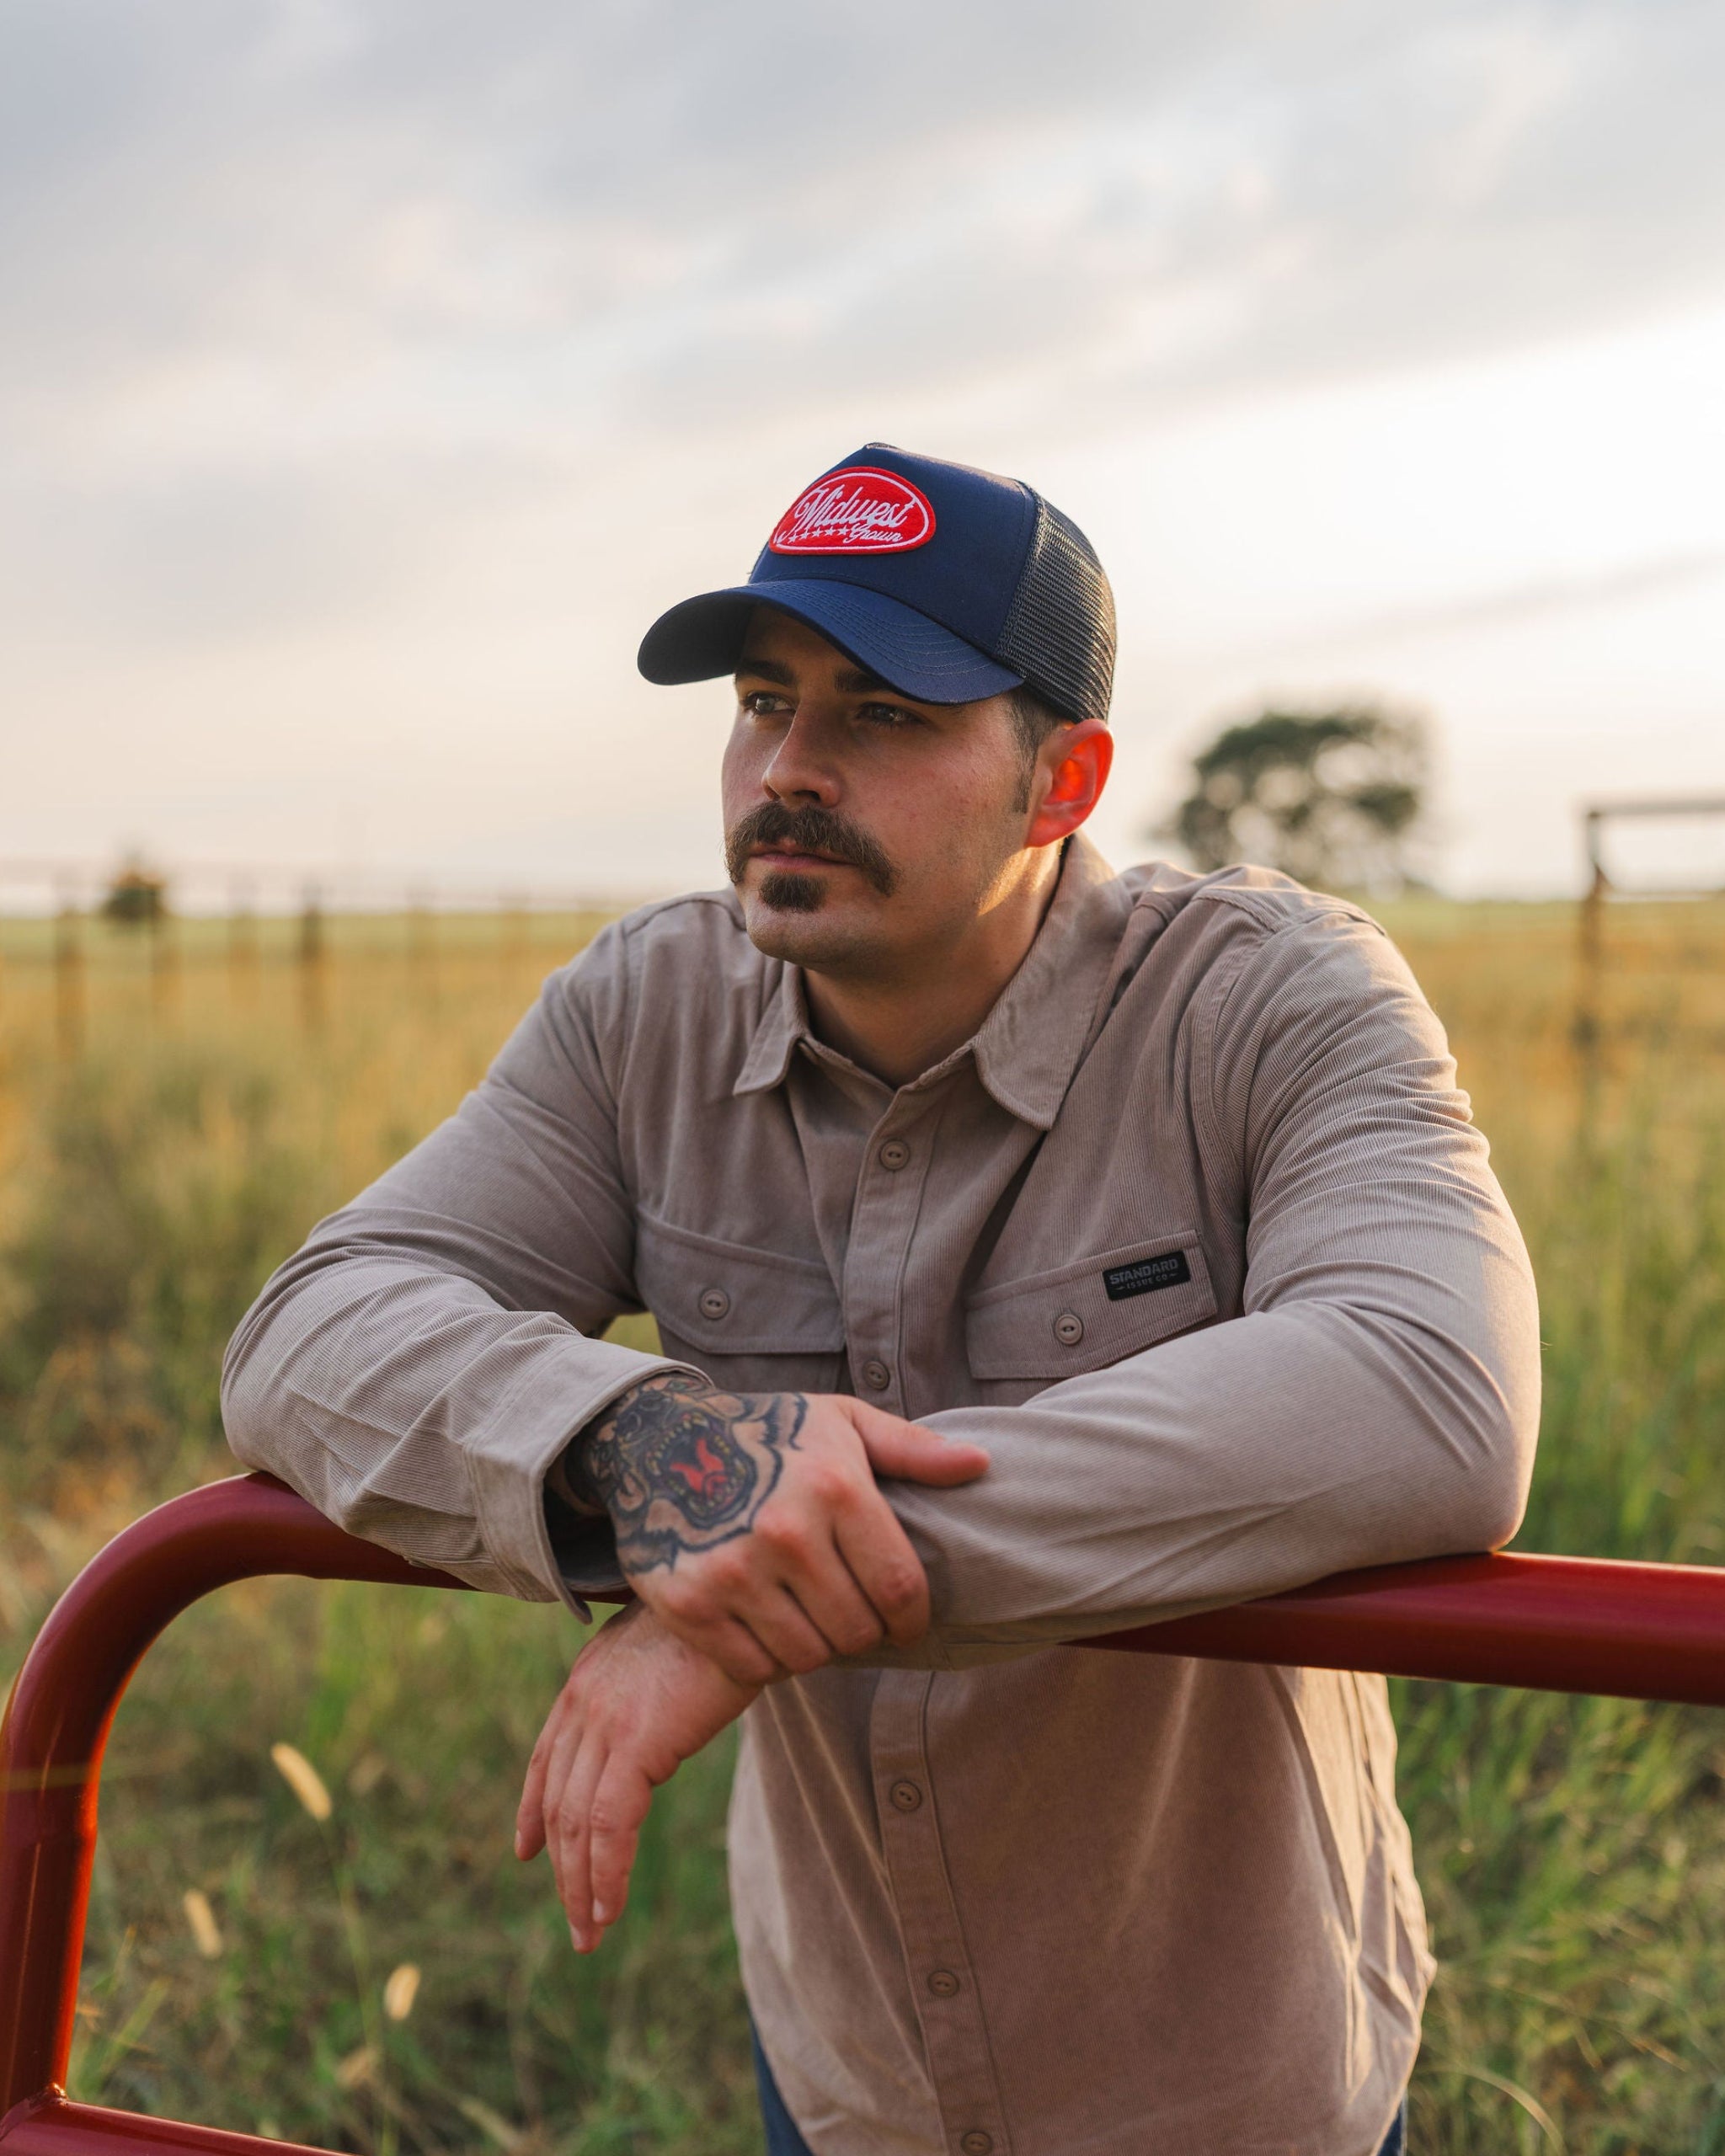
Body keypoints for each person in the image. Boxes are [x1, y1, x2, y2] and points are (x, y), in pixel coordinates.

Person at [223, 443, 1541, 2156]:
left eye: (885, 715)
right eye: (763, 700)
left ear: (1062, 781)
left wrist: (757, 1581)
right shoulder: (644, 1019)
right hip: (848, 2073)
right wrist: (660, 1449)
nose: (788, 769)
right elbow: (312, 1323)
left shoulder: (1269, 998)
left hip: (1227, 2081)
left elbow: (1427, 1387)